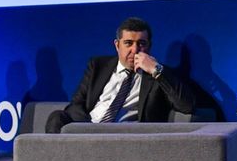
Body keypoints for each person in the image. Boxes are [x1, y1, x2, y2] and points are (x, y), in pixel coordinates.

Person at [64, 18, 196, 125]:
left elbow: (187, 106)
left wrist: (156, 70)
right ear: (117, 45)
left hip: (124, 139)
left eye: (141, 43)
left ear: (149, 46)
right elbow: (76, 105)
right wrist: (88, 130)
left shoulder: (158, 76)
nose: (135, 50)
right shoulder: (97, 66)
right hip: (88, 130)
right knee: (57, 117)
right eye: (128, 43)